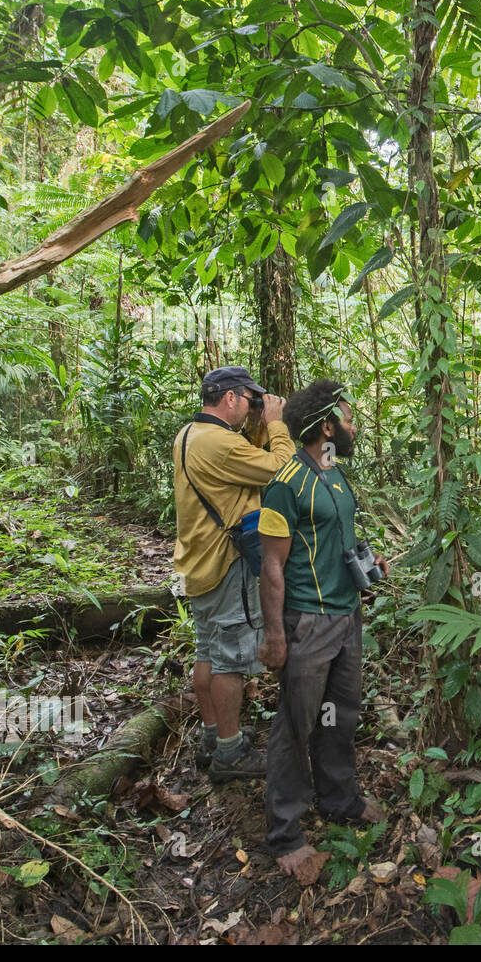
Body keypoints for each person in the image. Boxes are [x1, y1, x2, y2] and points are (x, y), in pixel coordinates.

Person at [258, 380, 389, 881]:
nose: (356, 426)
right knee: (296, 723)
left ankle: (339, 800)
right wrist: (275, 636)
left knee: (340, 715)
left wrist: (368, 562)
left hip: (346, 615)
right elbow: (272, 566)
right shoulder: (286, 483)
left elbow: (338, 539)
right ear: (328, 427)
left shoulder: (336, 477)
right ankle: (286, 833)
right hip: (307, 621)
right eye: (350, 419)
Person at [173, 366, 293, 780]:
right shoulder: (221, 444)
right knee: (231, 662)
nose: (250, 406)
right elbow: (280, 466)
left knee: (208, 649)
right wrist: (276, 424)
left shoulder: (191, 434)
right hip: (225, 564)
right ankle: (230, 751)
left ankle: (210, 737)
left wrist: (260, 424)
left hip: (197, 561)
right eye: (248, 399)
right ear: (229, 398)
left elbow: (246, 464)